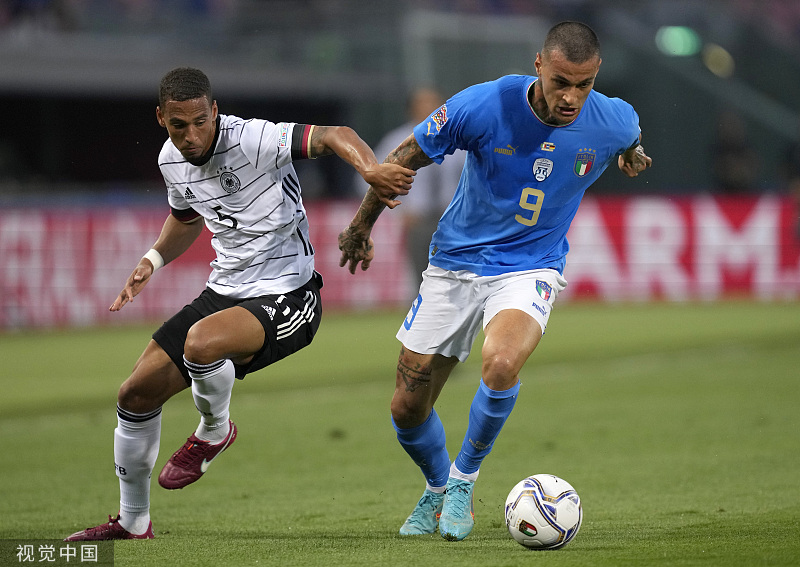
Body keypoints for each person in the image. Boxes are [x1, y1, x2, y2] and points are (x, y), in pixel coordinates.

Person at [65, 67, 414, 541]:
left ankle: (214, 430)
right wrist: (152, 259)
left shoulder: (253, 139)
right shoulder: (171, 159)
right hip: (225, 290)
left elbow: (336, 134)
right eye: (178, 125)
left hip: (289, 294)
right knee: (135, 394)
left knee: (201, 344)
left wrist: (369, 169)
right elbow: (186, 218)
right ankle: (133, 522)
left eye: (200, 122)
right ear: (161, 119)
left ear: (214, 111)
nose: (191, 136)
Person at [338, 21, 652, 542]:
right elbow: (403, 159)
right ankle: (437, 487)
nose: (571, 97)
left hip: (531, 264)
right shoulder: (483, 106)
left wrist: (630, 152)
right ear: (539, 65)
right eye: (561, 82)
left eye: (584, 85)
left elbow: (630, 136)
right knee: (406, 406)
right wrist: (359, 227)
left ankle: (463, 481)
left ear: (596, 75)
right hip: (455, 262)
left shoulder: (614, 119)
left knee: (502, 363)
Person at [368, 87, 466, 286]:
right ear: (411, 109)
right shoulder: (397, 141)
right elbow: (370, 178)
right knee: (422, 276)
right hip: (418, 220)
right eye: (423, 104)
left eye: (435, 103)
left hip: (453, 218)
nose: (430, 108)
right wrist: (398, 210)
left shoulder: (457, 139)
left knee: (458, 276)